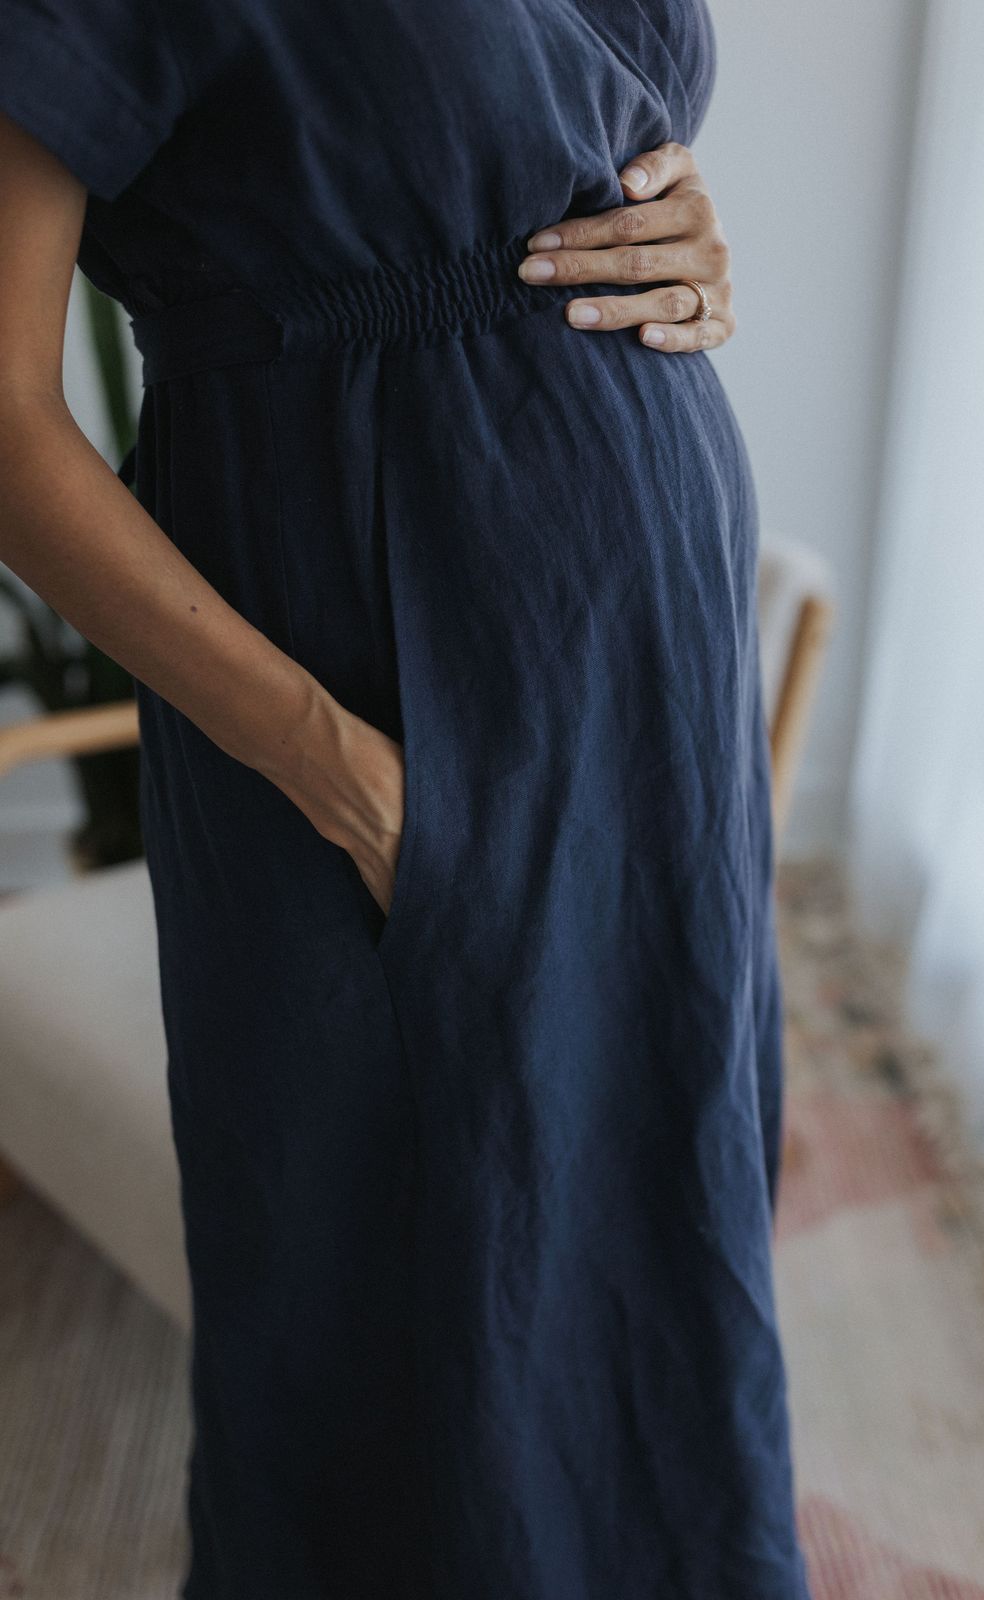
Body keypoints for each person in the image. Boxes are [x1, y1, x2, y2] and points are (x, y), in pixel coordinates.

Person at [0, 1, 812, 1595]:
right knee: (399, 1358)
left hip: (646, 709)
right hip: (381, 727)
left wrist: (679, 223)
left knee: (660, 1268)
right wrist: (338, 773)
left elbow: (575, 135)